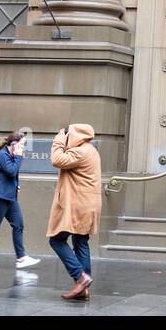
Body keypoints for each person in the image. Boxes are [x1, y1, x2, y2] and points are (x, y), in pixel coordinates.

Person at [46, 124, 101, 300]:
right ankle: (83, 289)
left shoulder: (81, 152)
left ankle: (80, 276)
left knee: (57, 240)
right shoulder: (90, 150)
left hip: (79, 205)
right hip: (87, 203)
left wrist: (59, 139)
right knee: (81, 242)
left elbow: (56, 159)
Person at [0, 131, 40, 270]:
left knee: (18, 225)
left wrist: (14, 186)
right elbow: (11, 171)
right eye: (22, 145)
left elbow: (9, 175)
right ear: (14, 144)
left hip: (10, 197)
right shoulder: (2, 156)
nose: (23, 148)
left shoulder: (11, 155)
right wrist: (18, 157)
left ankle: (21, 258)